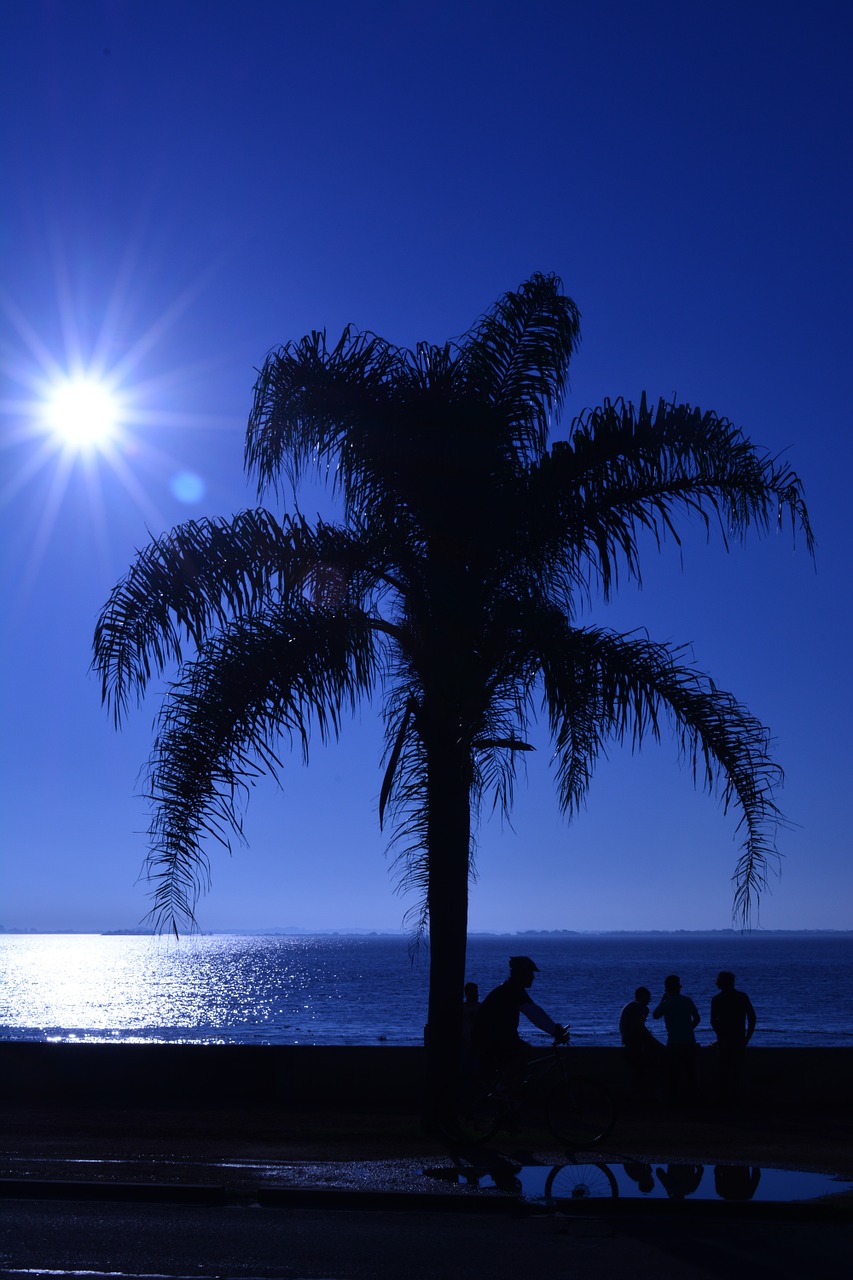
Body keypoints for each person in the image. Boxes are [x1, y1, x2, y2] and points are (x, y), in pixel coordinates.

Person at [474, 956, 567, 1080]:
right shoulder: (511, 991)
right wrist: (554, 1031)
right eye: (530, 973)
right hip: (491, 1037)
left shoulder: (513, 989)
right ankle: (503, 1088)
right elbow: (532, 1015)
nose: (533, 977)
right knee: (524, 1051)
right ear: (521, 974)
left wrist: (554, 1027)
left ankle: (506, 1087)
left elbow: (535, 1009)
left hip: (496, 1035)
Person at [710, 970, 756, 1103]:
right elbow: (752, 1018)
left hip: (724, 1041)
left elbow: (713, 1021)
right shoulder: (742, 997)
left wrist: (720, 1036)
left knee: (723, 1073)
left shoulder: (717, 999)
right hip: (739, 1040)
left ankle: (724, 1102)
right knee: (736, 1072)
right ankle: (736, 1101)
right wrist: (747, 1038)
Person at [652, 974, 700, 1103]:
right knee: (691, 1073)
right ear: (679, 987)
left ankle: (674, 1101)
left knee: (674, 1073)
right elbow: (697, 1018)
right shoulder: (688, 1000)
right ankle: (693, 1100)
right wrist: (688, 1030)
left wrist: (662, 1000)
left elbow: (655, 1015)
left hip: (674, 1042)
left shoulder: (667, 1003)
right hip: (689, 1041)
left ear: (667, 988)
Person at [619, 986, 662, 1093]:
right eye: (647, 998)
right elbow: (641, 1029)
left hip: (630, 1044)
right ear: (641, 997)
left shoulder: (631, 1007)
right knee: (642, 1075)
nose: (648, 1001)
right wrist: (657, 1044)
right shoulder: (637, 1006)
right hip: (634, 1046)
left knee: (637, 1076)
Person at [460, 981, 480, 1073]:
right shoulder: (462, 1009)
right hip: (464, 1041)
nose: (476, 995)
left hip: (476, 1042)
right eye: (474, 993)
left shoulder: (481, 1008)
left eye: (476, 993)